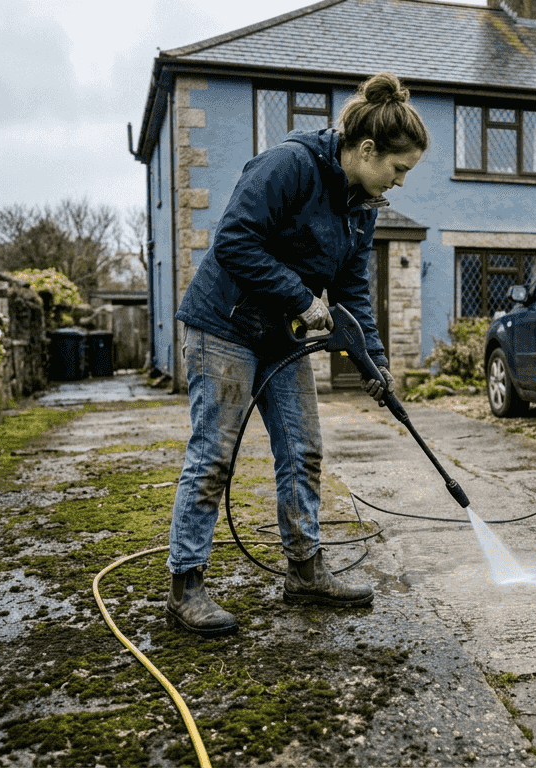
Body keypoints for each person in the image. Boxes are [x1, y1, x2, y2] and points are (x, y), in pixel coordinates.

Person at [165, 72, 429, 636]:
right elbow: (233, 240)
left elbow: (353, 290)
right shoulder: (289, 165)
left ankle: (305, 569)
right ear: (365, 149)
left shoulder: (364, 204)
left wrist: (374, 363)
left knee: (303, 449)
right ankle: (185, 584)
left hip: (281, 337)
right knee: (214, 456)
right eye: (398, 168)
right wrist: (301, 297)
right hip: (224, 326)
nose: (400, 182)